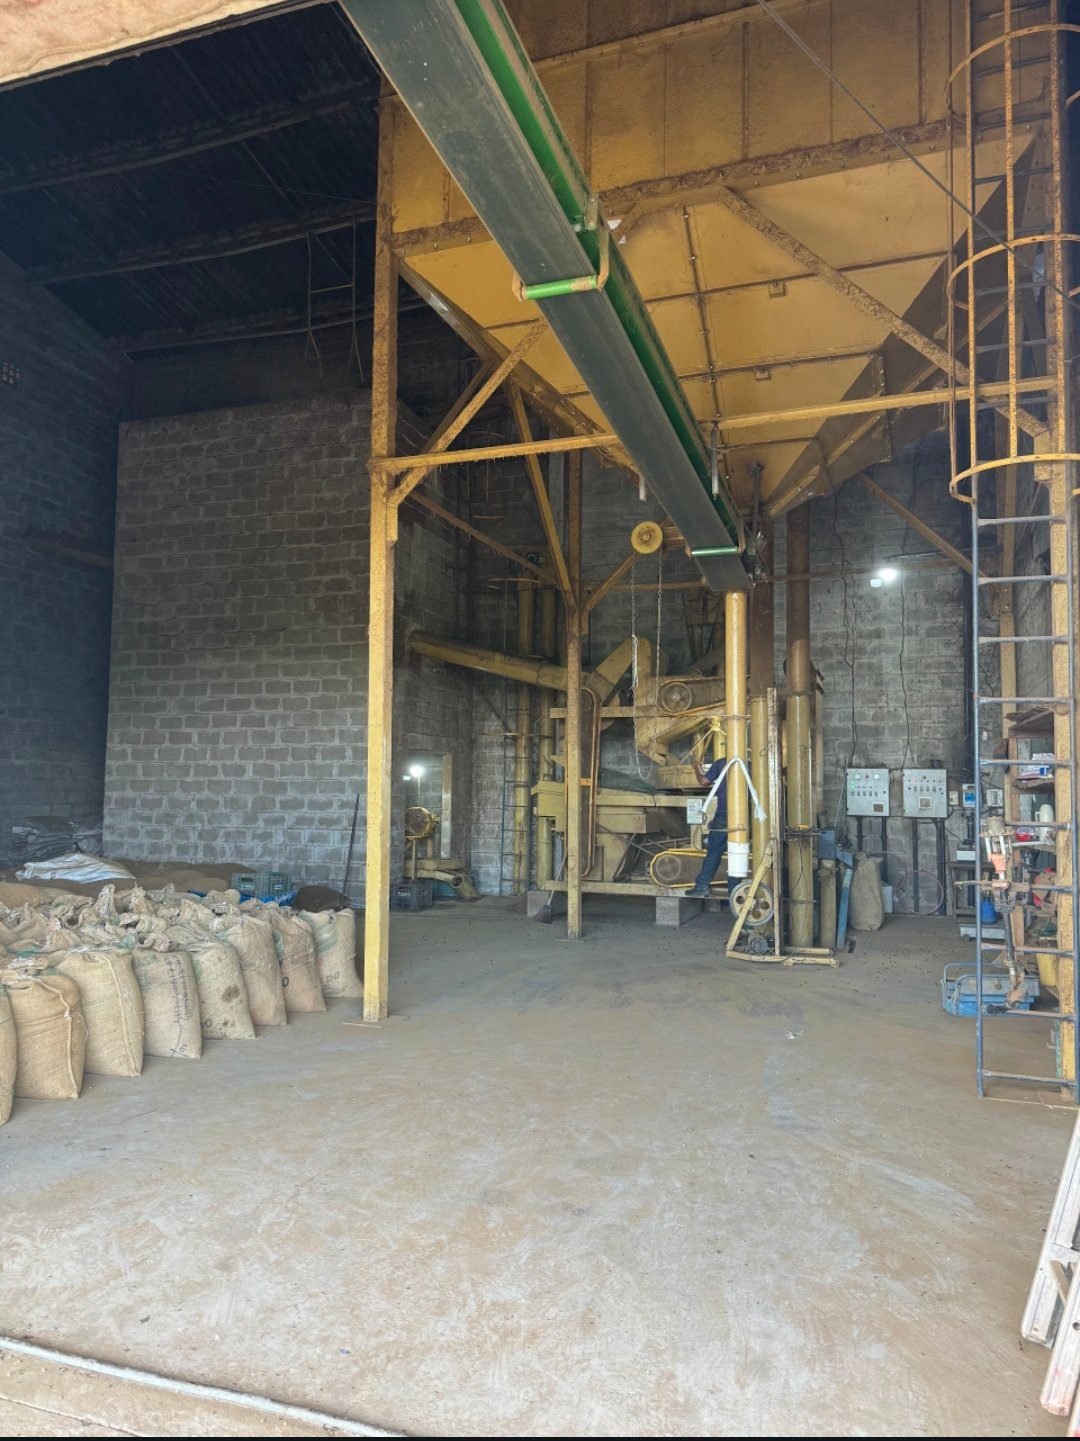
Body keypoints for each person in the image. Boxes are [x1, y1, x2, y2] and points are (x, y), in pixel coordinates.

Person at [687, 754, 728, 898]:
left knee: (714, 850)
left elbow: (703, 782)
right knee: (738, 850)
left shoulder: (722, 763)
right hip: (747, 815)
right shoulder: (751, 764)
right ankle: (734, 888)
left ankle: (702, 886)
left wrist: (696, 768)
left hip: (724, 814)